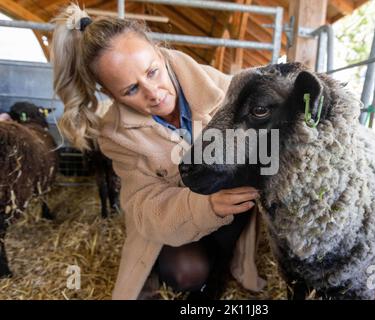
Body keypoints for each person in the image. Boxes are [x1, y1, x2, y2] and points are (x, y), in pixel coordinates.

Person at [51, 4, 265, 300]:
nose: (153, 92)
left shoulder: (217, 85)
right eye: (130, 90)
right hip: (180, 220)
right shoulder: (116, 135)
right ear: (111, 94)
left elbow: (265, 135)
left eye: (153, 71)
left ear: (160, 52)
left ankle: (223, 266)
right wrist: (206, 207)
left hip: (235, 210)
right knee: (185, 273)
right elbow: (144, 208)